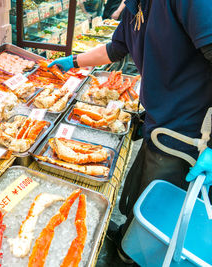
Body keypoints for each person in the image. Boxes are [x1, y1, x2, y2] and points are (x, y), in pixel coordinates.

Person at [48, 0, 212, 264]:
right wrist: (75, 61)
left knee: (162, 218)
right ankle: (126, 243)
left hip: (188, 134)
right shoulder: (136, 5)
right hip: (158, 123)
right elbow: (116, 49)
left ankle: (134, 257)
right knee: (139, 193)